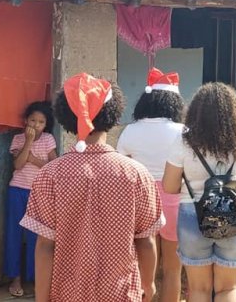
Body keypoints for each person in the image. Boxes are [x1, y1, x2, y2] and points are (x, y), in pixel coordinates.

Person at [21, 73, 163, 302]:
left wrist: (41, 298)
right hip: (121, 294)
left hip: (66, 294)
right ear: (113, 115)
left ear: (66, 116)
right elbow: (146, 240)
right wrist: (149, 284)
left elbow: (45, 246)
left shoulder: (50, 175)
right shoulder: (137, 175)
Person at [162, 82, 236, 302]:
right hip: (234, 216)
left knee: (198, 290)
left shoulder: (184, 143)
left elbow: (168, 186)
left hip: (193, 216)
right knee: (228, 289)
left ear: (196, 112)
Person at [117, 68, 185, 302]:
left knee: (144, 269)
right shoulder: (183, 132)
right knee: (173, 269)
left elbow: (121, 167)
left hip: (141, 202)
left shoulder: (130, 131)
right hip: (174, 199)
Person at [5, 101, 57, 298]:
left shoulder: (49, 139)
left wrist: (33, 159)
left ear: (46, 125)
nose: (36, 125)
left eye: (41, 122)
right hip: (17, 190)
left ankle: (37, 279)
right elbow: (18, 165)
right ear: (26, 121)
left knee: (38, 237)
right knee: (14, 235)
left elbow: (53, 167)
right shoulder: (18, 139)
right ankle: (15, 278)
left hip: (40, 193)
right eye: (33, 120)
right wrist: (28, 141)